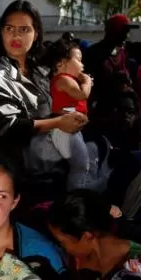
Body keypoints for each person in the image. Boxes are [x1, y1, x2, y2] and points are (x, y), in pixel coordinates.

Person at [0, 0, 87, 206]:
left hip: (52, 177)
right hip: (19, 183)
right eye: (9, 28)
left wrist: (69, 118)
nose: (16, 36)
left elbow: (47, 111)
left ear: (36, 34)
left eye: (24, 29)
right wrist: (58, 122)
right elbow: (7, 126)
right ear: (1, 33)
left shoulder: (38, 71)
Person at [47, 39, 94, 191]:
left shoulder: (67, 80)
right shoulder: (64, 80)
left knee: (80, 164)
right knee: (80, 165)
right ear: (61, 63)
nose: (82, 65)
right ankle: (75, 196)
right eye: (78, 60)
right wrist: (86, 82)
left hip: (71, 129)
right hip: (65, 131)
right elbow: (82, 95)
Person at [84, 13, 137, 107]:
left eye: (128, 32)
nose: (127, 36)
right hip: (100, 110)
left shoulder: (122, 53)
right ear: (112, 32)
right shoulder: (94, 52)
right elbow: (88, 82)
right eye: (124, 32)